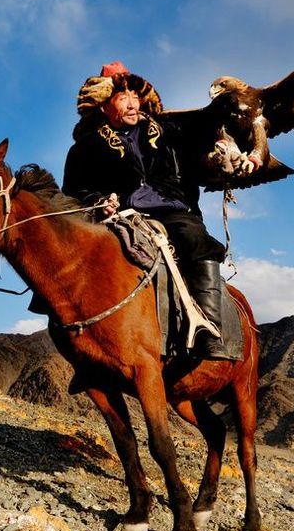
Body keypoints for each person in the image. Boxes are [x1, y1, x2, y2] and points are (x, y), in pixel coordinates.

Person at [62, 61, 237, 360]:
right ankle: (82, 350)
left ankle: (209, 328)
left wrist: (225, 148)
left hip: (169, 208)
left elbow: (208, 140)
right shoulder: (85, 147)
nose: (132, 104)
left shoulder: (168, 131)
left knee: (194, 236)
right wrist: (98, 200)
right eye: (122, 97)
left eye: (135, 96)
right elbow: (72, 192)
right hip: (116, 214)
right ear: (104, 104)